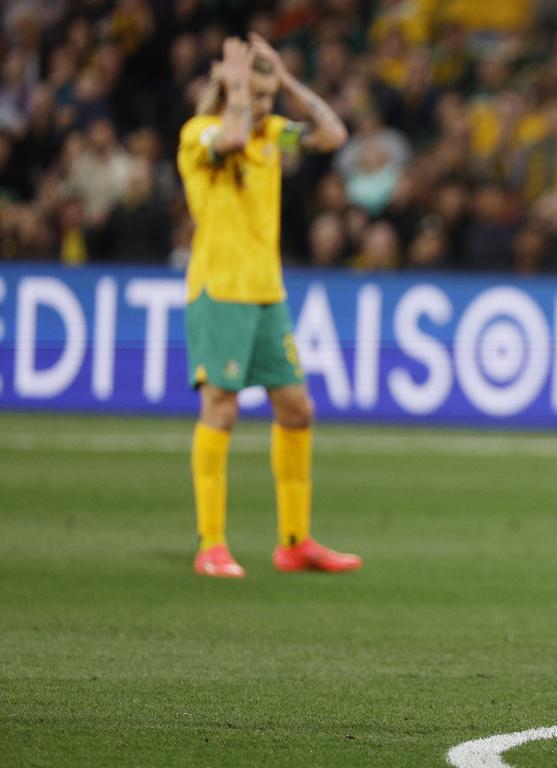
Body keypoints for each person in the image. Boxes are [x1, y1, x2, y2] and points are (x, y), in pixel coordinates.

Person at [177, 34, 361, 578]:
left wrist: (286, 81)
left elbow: (333, 134)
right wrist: (237, 93)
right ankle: (211, 543)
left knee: (297, 410)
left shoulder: (269, 133)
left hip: (267, 295)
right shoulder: (200, 134)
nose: (263, 106)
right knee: (223, 409)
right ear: (229, 91)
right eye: (255, 96)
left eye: (265, 97)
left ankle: (294, 541)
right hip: (219, 291)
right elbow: (229, 136)